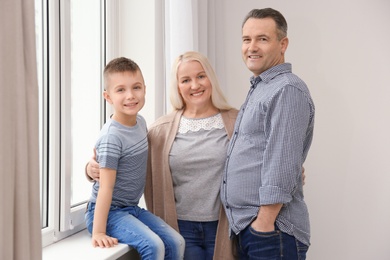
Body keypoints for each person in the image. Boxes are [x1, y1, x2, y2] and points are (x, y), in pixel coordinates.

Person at [87, 51, 238, 260]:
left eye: (201, 76)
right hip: (171, 222)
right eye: (185, 80)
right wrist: (90, 169)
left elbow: (261, 160)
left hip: (221, 225)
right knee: (159, 245)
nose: (194, 85)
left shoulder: (236, 122)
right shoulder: (159, 129)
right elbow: (113, 168)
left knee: (173, 243)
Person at [220, 8, 315, 260]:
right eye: (246, 39)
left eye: (262, 39)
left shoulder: (287, 89)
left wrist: (263, 223)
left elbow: (282, 162)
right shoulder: (262, 88)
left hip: (271, 232)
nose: (252, 47)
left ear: (282, 44)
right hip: (253, 230)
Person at [85, 57, 185, 260]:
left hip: (131, 208)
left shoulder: (140, 122)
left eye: (136, 87)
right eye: (120, 90)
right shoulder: (112, 137)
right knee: (154, 245)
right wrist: (98, 232)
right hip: (109, 212)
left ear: (145, 89)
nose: (130, 96)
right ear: (108, 96)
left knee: (176, 242)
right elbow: (105, 188)